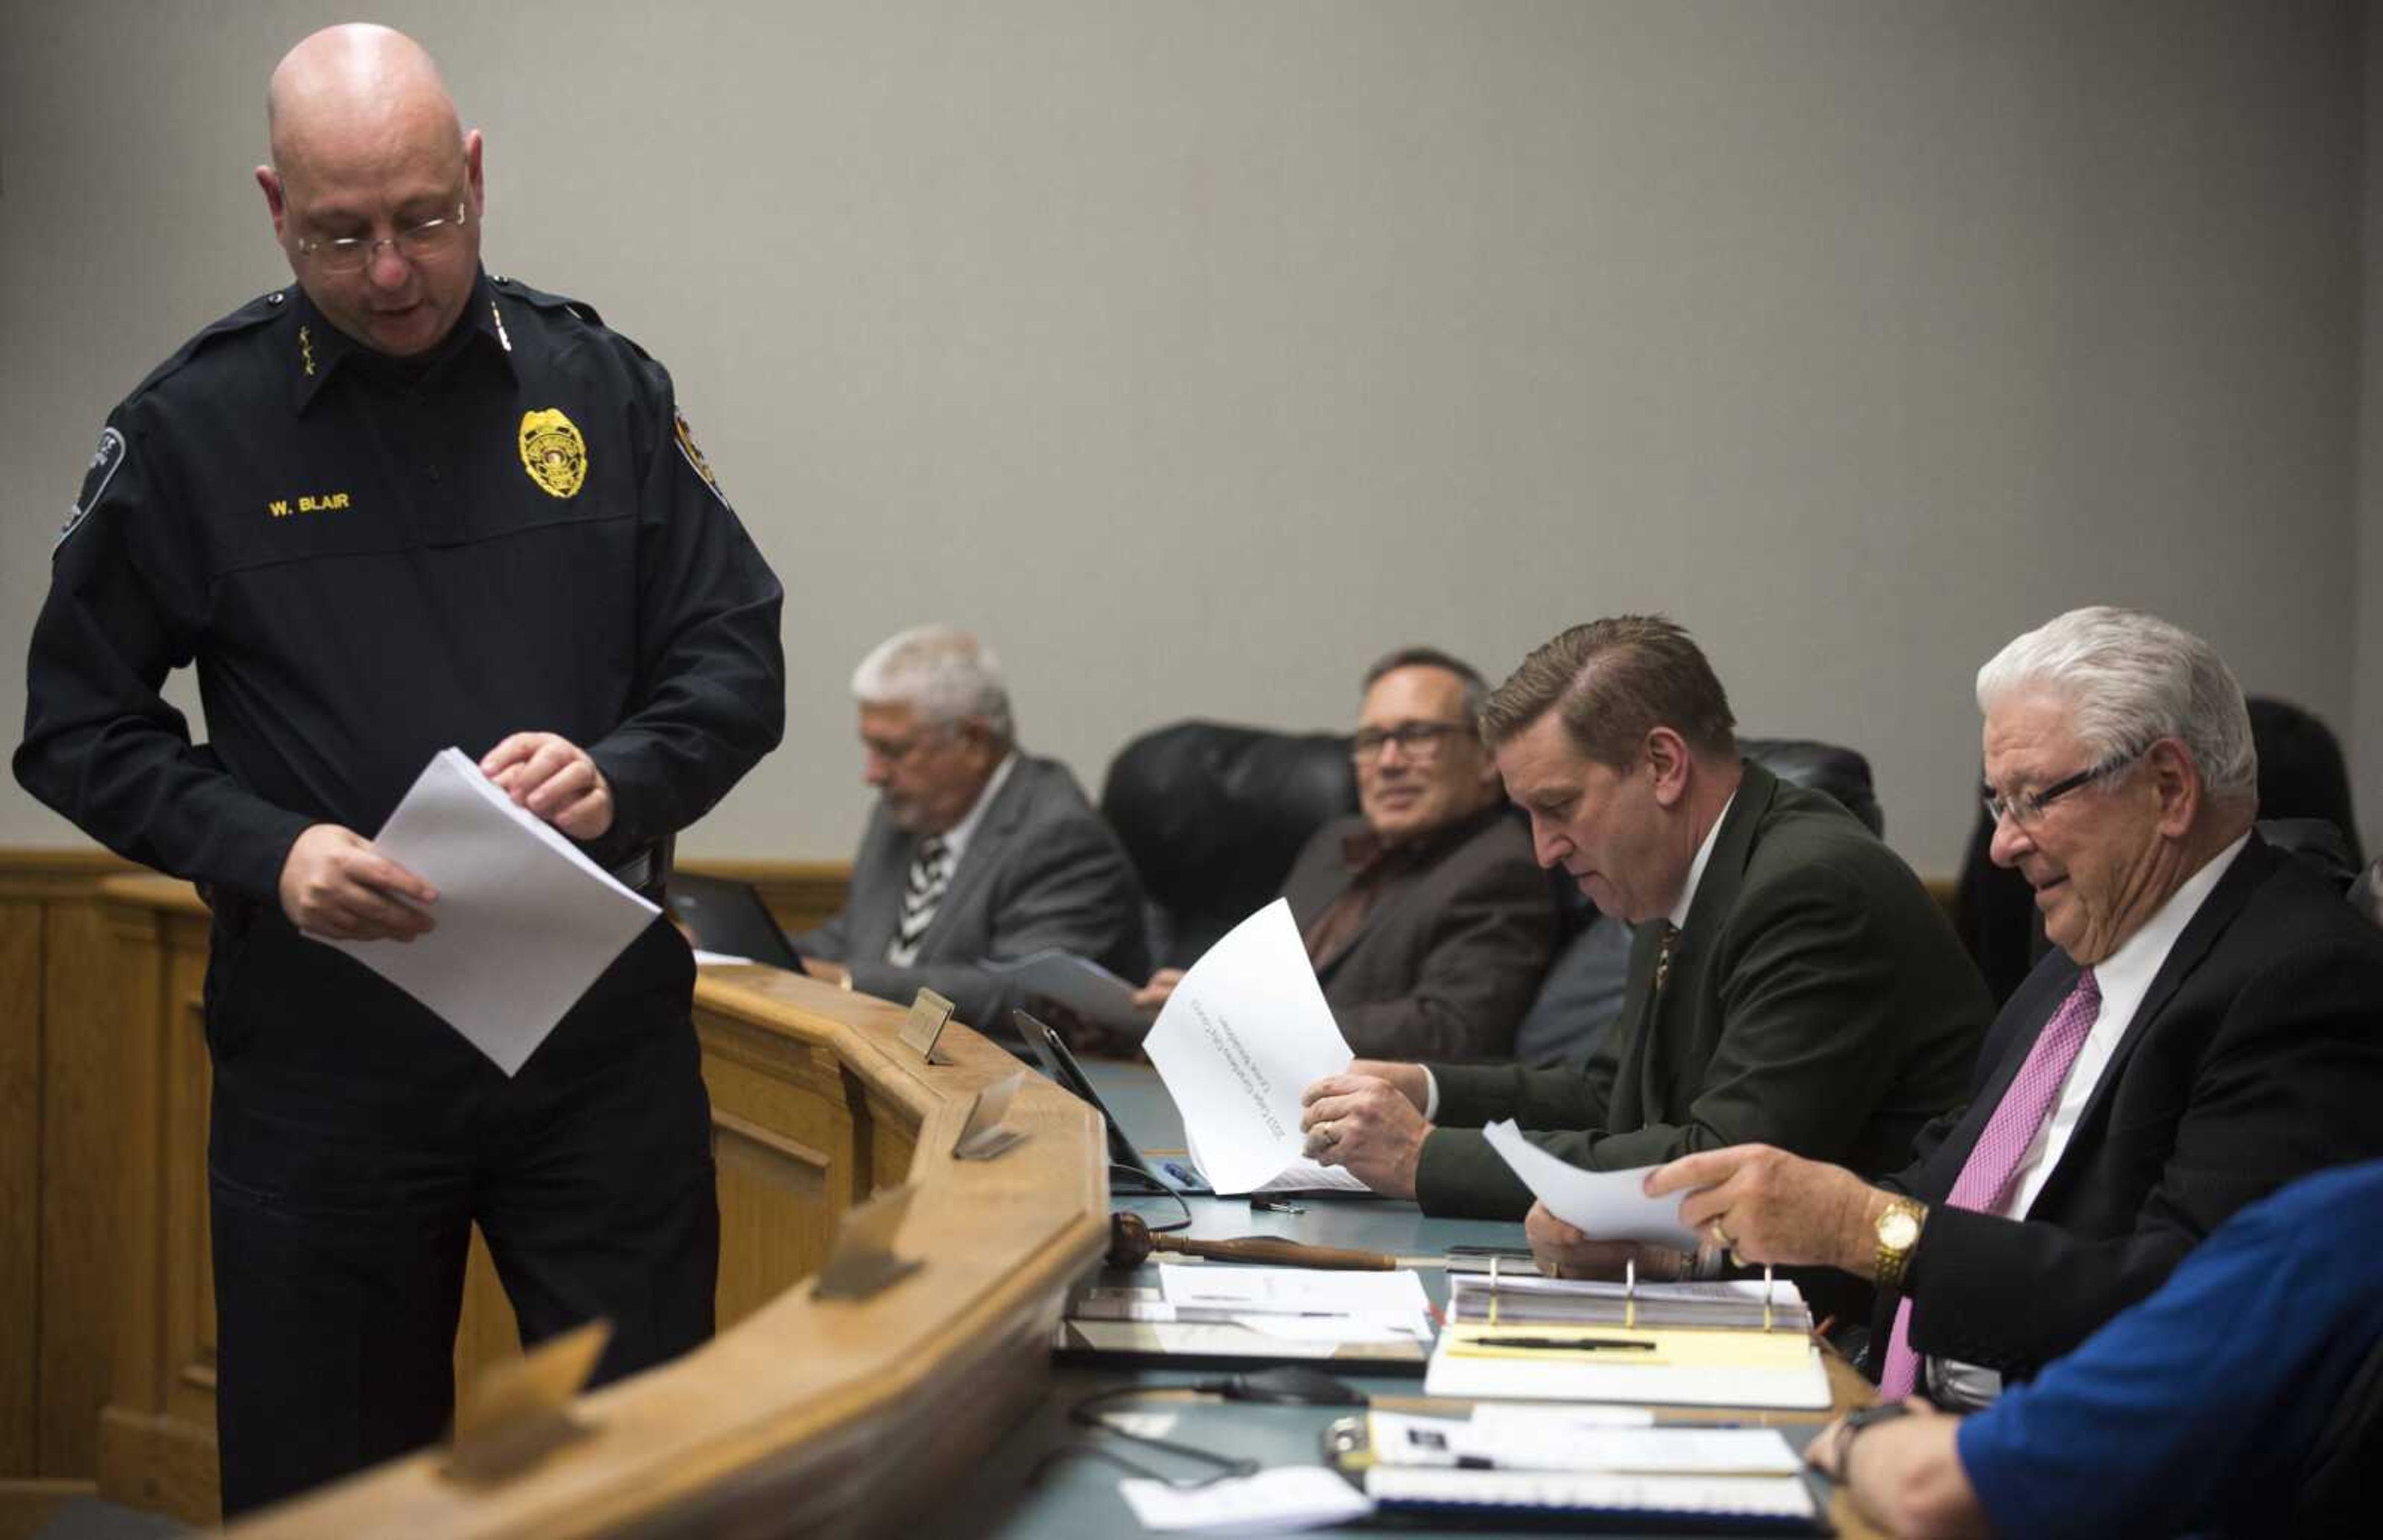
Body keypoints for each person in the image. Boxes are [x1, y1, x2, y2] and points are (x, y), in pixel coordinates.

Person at [12, 25, 786, 1515]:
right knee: (333, 1487)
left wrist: (619, 773)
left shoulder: (598, 385)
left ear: (477, 178)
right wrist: (261, 847)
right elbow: (77, 725)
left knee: (648, 1471)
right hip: (329, 1063)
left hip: (592, 1052)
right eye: (340, 234)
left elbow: (732, 653)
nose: (388, 272)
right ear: (272, 206)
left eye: (423, 221)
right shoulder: (194, 429)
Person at [1637, 607, 2383, 1405]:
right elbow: (1937, 1187)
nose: (2001, 845)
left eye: (2034, 798)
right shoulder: (2073, 969)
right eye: (2000, 803)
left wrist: (1868, 1229)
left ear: (2169, 788)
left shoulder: (2300, 980)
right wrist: (1691, 1250)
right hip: (1893, 1416)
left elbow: (2186, 1302)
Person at [1300, 617, 1990, 1235]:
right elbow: (1610, 1098)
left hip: (1862, 1321)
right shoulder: (1678, 874)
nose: (1544, 849)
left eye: (1559, 806)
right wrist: (1429, 1089)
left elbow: (1720, 1162)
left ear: (1663, 765)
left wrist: (1422, 1156)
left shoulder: (1812, 891)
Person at [1804, 1158, 2383, 1538]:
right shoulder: (2049, 999)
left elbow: (1934, 1489)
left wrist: (1864, 1433)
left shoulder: (2341, 1231)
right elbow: (1934, 1173)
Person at [1134, 647, 1558, 1059]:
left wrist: (1255, 1021)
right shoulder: (1336, 841)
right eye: (1372, 740)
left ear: (1487, 758)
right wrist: (1202, 1001)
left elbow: (1449, 1031)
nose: (1389, 762)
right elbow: (1265, 983)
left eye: (1417, 735)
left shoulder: (1503, 867)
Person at [791, 624, 1147, 1034]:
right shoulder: (903, 814)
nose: (872, 774)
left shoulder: (1058, 835)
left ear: (975, 743)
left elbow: (1025, 998)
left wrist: (845, 983)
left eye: (892, 750)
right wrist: (738, 955)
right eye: (869, 748)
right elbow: (854, 941)